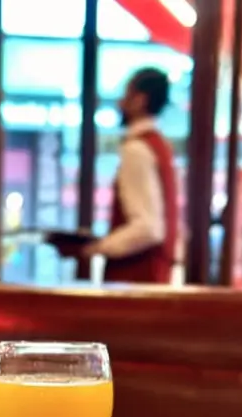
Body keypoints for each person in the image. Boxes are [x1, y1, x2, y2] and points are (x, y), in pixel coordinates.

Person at [86, 67, 178, 284]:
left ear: (140, 100)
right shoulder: (160, 146)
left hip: (135, 280)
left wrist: (99, 247)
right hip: (155, 279)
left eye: (126, 95)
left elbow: (148, 227)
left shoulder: (137, 149)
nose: (120, 103)